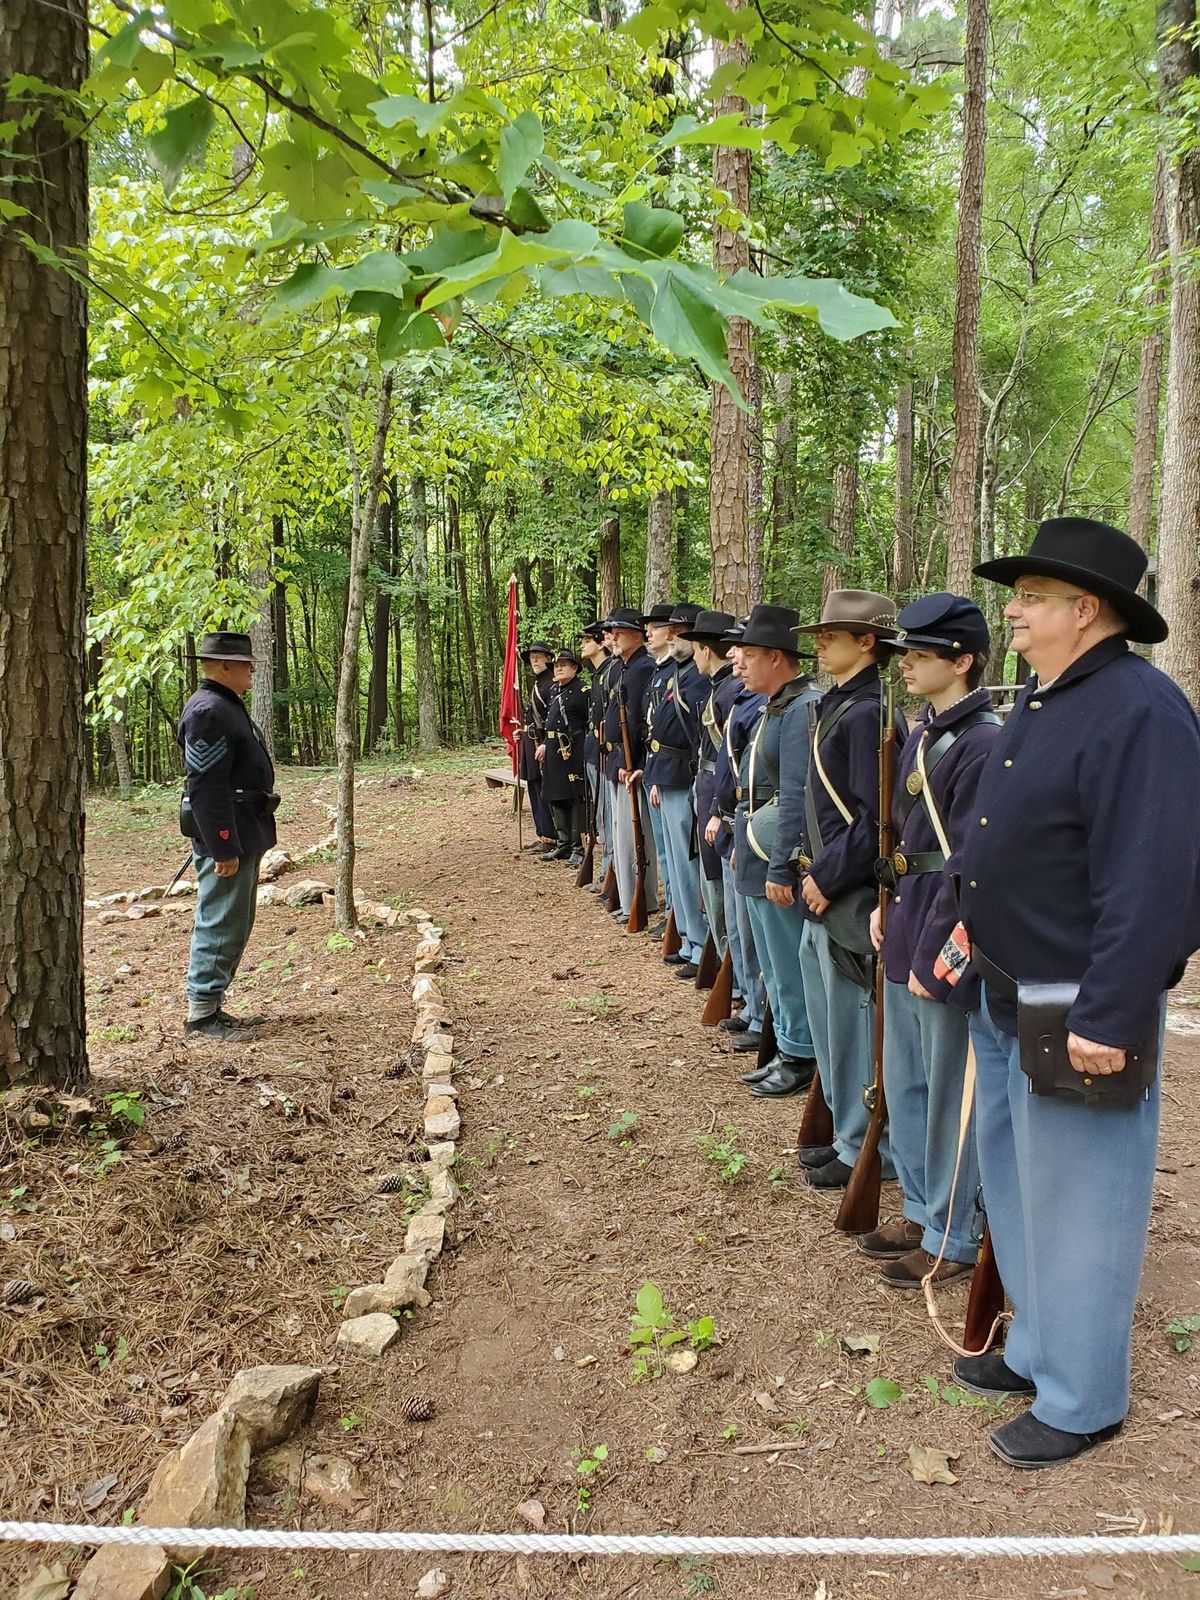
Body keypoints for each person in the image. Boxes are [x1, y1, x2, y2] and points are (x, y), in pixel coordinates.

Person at [950, 517, 1200, 1469]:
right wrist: (981, 914)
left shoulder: (1142, 710)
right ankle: (1038, 1350)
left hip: (1081, 1007)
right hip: (1010, 990)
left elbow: (1153, 878)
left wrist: (1112, 1009)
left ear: (1085, 611)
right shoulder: (1049, 697)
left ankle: (1085, 1397)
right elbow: (1026, 837)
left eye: (1029, 596)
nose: (1009, 609)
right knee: (1018, 1189)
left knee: (1084, 1201)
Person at [862, 594, 1000, 1288]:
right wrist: (886, 905)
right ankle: (920, 1205)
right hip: (907, 918)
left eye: (920, 652)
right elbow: (906, 841)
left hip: (941, 936)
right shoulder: (921, 732)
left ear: (963, 660)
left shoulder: (983, 742)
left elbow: (970, 866)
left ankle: (956, 1231)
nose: (906, 663)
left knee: (950, 1092)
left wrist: (938, 957)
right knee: (909, 1083)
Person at [792, 590, 901, 1188]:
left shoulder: (868, 712)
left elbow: (874, 818)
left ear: (867, 643)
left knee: (852, 1021)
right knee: (829, 1017)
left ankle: (862, 1143)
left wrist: (826, 879)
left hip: (847, 892)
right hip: (822, 883)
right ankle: (843, 1132)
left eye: (831, 635)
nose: (819, 644)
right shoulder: (843, 705)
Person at [733, 605, 822, 1097]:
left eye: (748, 655)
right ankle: (787, 1042)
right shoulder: (776, 704)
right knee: (771, 958)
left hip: (773, 847)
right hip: (754, 841)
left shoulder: (802, 707)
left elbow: (795, 793)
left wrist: (781, 864)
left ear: (775, 657)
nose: (739, 664)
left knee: (788, 962)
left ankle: (800, 1053)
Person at [177, 631, 279, 1038]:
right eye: (244, 662)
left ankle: (212, 1004)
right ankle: (201, 1014)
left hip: (243, 826)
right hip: (228, 830)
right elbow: (206, 785)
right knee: (220, 919)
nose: (252, 668)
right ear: (223, 666)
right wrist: (222, 844)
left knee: (233, 920)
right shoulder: (208, 711)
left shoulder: (224, 706)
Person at [708, 618, 769, 1052]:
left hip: (752, 823)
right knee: (741, 926)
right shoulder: (745, 699)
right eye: (735, 650)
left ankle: (764, 1013)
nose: (735, 657)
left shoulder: (764, 705)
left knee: (755, 931)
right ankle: (751, 1003)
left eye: (745, 651)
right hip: (736, 816)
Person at [644, 602, 707, 977]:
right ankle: (688, 938)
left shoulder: (695, 677)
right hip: (663, 772)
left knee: (687, 868)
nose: (674, 635)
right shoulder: (676, 673)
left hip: (684, 774)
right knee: (674, 865)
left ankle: (699, 943)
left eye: (683, 631)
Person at [680, 610, 739, 968]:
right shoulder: (720, 688)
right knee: (712, 885)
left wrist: (716, 808)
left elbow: (727, 759)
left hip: (716, 795)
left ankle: (731, 974)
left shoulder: (729, 691)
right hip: (706, 790)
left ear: (705, 650)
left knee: (720, 890)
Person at [600, 608, 659, 924]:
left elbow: (638, 722)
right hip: (615, 761)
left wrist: (630, 762)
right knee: (621, 837)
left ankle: (640, 899)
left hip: (628, 763)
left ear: (637, 634)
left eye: (620, 631)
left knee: (633, 838)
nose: (614, 637)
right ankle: (626, 897)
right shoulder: (623, 667)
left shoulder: (641, 668)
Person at [641, 603, 679, 936]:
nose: (648, 633)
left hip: (674, 771)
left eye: (655, 626)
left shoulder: (675, 674)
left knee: (678, 855)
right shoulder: (658, 672)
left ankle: (677, 916)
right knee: (666, 852)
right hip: (656, 769)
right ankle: (671, 912)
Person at [538, 649, 589, 865]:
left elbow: (588, 723)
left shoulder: (582, 690)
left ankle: (578, 847)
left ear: (575, 668)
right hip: (552, 749)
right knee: (555, 795)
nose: (558, 668)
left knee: (574, 798)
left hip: (573, 750)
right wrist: (543, 744)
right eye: (556, 665)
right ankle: (563, 844)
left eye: (564, 665)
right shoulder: (553, 690)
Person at [579, 623, 613, 886]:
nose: (583, 644)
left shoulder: (608, 672)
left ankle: (608, 874)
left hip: (605, 751)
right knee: (598, 816)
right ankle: (605, 872)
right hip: (593, 748)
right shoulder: (598, 674)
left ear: (601, 644)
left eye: (588, 639)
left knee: (606, 818)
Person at [519, 640, 557, 852]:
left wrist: (545, 743)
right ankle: (542, 833)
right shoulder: (538, 682)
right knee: (534, 786)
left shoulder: (551, 682)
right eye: (532, 656)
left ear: (548, 659)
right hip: (530, 741)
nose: (534, 659)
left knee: (543, 789)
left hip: (541, 743)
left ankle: (551, 836)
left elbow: (552, 717)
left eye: (539, 656)